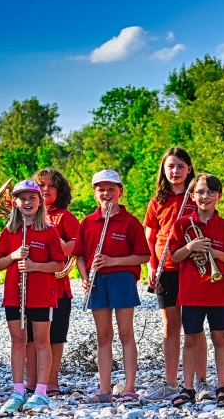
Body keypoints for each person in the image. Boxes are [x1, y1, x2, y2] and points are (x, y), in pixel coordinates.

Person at [74, 169, 150, 403]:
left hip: (122, 280)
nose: (106, 193)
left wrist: (113, 261)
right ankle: (104, 390)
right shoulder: (88, 222)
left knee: (126, 334)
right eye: (101, 189)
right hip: (98, 282)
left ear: (120, 192)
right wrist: (85, 277)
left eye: (111, 189)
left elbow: (143, 256)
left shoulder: (130, 221)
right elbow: (79, 256)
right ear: (95, 193)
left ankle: (129, 388)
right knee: (103, 336)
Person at [0, 181, 67, 414]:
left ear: (39, 202)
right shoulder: (9, 231)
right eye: (22, 198)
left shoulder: (49, 230)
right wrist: (14, 255)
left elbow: (59, 264)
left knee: (42, 342)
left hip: (41, 294)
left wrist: (35, 265)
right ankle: (18, 391)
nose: (27, 202)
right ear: (15, 202)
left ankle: (41, 392)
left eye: (32, 198)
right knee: (18, 341)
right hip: (14, 294)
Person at [169, 174, 224, 408]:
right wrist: (190, 247)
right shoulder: (182, 225)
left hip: (219, 292)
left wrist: (214, 254)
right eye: (200, 192)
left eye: (211, 192)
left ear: (219, 196)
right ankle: (188, 388)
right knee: (191, 339)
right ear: (192, 196)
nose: (206, 196)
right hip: (191, 292)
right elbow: (174, 256)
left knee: (220, 338)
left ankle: (222, 386)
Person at [144, 147, 196, 400]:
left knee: (194, 326)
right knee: (170, 326)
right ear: (164, 171)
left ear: (189, 169)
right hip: (166, 269)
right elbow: (150, 237)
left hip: (193, 268)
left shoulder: (197, 197)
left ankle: (201, 381)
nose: (175, 171)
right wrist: (151, 265)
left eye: (180, 166)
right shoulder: (157, 201)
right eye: (170, 166)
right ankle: (170, 381)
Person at [30, 168, 79, 397]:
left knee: (56, 337)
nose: (46, 190)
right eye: (41, 186)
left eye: (51, 185)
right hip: (29, 286)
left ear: (59, 190)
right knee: (31, 337)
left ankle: (51, 381)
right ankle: (31, 382)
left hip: (58, 287)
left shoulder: (64, 217)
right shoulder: (25, 215)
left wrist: (50, 242)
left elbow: (76, 247)